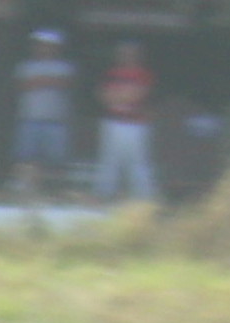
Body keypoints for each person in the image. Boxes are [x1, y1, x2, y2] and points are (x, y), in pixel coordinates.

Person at [87, 42, 158, 203]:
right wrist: (121, 95)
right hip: (112, 122)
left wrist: (117, 95)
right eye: (123, 53)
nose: (126, 56)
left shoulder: (143, 74)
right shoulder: (111, 73)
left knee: (138, 162)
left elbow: (137, 95)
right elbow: (102, 95)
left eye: (130, 53)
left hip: (136, 124)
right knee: (108, 160)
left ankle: (144, 199)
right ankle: (103, 196)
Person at [11, 27, 76, 194]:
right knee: (26, 158)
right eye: (40, 45)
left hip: (56, 121)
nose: (43, 48)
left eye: (48, 45)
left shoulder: (65, 67)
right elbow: (22, 85)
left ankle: (55, 190)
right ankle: (26, 190)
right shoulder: (25, 66)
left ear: (56, 48)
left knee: (56, 160)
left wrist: (38, 81)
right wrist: (49, 81)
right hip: (29, 119)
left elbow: (65, 84)